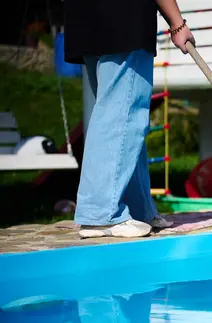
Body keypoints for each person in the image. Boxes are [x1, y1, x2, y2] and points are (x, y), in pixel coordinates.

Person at [63, 0, 195, 238]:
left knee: (121, 118)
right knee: (120, 115)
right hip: (125, 17)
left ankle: (137, 209)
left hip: (88, 16)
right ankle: (102, 214)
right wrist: (177, 24)